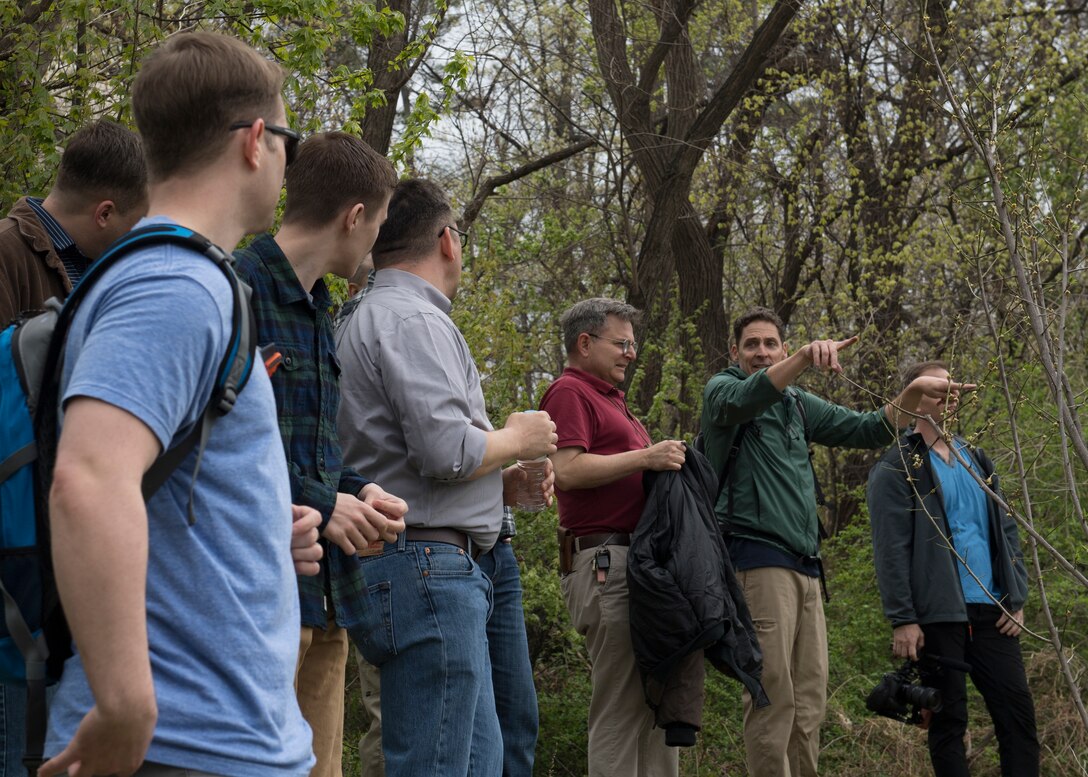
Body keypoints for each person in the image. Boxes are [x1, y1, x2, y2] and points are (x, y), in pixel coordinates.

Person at [38, 31, 318, 777]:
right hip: (184, 747)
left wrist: (256, 530)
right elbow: (89, 478)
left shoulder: (177, 280)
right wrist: (126, 703)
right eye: (287, 138)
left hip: (211, 741)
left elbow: (143, 486)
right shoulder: (175, 286)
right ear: (256, 142)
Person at [336, 178, 557, 777]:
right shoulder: (412, 318)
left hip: (418, 562)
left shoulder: (366, 312)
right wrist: (519, 438)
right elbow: (446, 451)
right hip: (427, 569)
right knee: (440, 767)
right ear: (447, 240)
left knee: (474, 763)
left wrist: (499, 485)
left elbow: (398, 458)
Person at [698, 306, 971, 777]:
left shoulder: (799, 404)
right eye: (751, 345)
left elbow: (866, 429)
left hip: (807, 567)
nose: (761, 352)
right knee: (772, 694)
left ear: (781, 346)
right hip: (756, 561)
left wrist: (910, 398)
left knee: (809, 701)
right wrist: (805, 357)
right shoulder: (722, 391)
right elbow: (745, 399)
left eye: (771, 344)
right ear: (734, 352)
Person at [234, 131, 406, 777]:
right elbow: (210, 453)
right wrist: (318, 501)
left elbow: (313, 442)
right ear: (353, 217)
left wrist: (358, 491)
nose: (375, 244)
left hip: (326, 601)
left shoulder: (322, 308)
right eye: (379, 224)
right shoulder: (234, 291)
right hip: (257, 602)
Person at [0, 119, 148, 777]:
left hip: (67, 569)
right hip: (19, 574)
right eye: (133, 224)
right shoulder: (8, 255)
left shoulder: (86, 265)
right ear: (106, 210)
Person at [866, 360, 1038, 777]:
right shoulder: (897, 466)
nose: (950, 394)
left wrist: (1015, 598)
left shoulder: (977, 458)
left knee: (1017, 718)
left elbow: (1007, 530)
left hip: (993, 612)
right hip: (939, 614)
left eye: (953, 387)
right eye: (937, 387)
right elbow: (891, 548)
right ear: (913, 396)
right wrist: (903, 619)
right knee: (947, 723)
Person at [539, 297, 687, 777]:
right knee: (623, 707)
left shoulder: (610, 400)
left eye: (633, 344)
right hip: (607, 562)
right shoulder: (568, 392)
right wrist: (646, 457)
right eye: (621, 343)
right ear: (585, 343)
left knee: (655, 705)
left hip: (637, 564)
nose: (631, 353)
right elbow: (566, 469)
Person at [0, 119, 148, 326]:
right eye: (137, 223)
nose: (137, 235)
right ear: (104, 214)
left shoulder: (99, 263)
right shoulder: (6, 255)